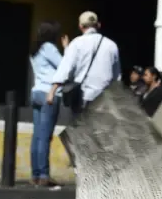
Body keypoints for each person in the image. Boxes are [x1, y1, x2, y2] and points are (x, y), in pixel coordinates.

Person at [48, 11, 121, 114]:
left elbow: (65, 68)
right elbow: (116, 76)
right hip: (104, 100)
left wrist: (52, 91)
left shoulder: (77, 43)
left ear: (80, 26)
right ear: (98, 25)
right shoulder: (111, 45)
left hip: (83, 97)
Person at [28, 21, 66, 187]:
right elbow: (65, 67)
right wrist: (67, 48)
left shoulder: (35, 49)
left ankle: (35, 174)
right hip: (48, 94)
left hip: (36, 92)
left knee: (37, 136)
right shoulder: (49, 48)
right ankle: (44, 175)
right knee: (45, 137)